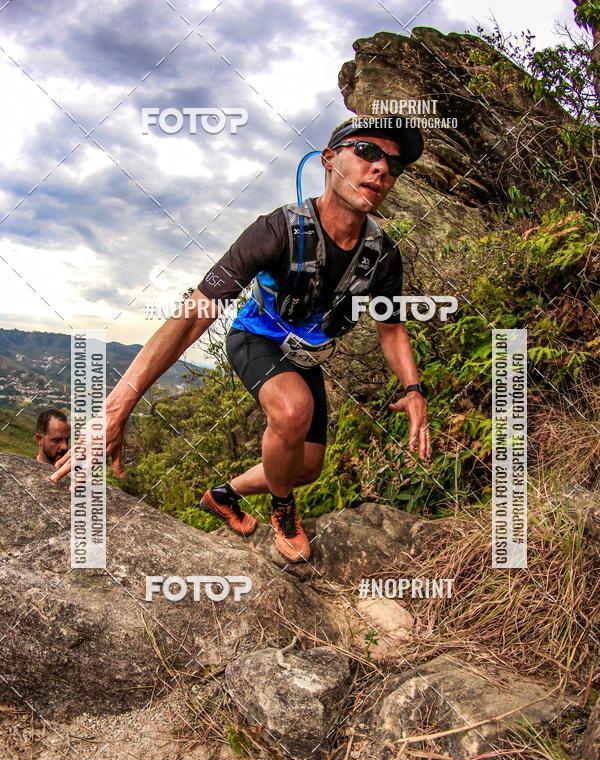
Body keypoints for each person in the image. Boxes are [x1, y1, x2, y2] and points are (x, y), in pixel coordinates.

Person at [51, 117, 431, 564]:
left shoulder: (381, 255)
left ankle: (223, 494)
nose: (381, 169)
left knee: (306, 466)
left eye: (394, 163)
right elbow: (195, 313)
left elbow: (391, 327)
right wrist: (117, 408)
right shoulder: (277, 231)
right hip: (255, 337)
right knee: (293, 410)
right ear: (329, 160)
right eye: (367, 151)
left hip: (305, 356)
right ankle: (283, 512)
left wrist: (413, 389)